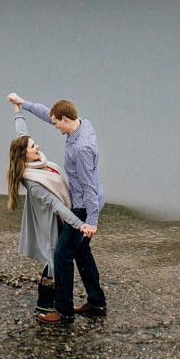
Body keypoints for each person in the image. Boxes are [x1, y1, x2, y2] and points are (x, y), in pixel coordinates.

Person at [8, 93, 106, 323]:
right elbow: (42, 117)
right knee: (81, 253)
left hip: (82, 206)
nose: (53, 127)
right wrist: (21, 105)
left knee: (62, 256)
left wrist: (90, 221)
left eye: (55, 123)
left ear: (64, 119)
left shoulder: (81, 149)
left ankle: (64, 312)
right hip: (84, 202)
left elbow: (89, 187)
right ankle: (96, 302)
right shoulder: (82, 124)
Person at [6, 125, 83, 320]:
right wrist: (79, 224)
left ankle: (50, 305)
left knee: (56, 261)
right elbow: (56, 205)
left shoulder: (38, 164)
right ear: (25, 155)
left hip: (62, 219)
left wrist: (18, 108)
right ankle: (49, 307)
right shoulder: (32, 180)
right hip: (52, 225)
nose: (38, 147)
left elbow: (22, 135)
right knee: (54, 261)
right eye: (33, 146)